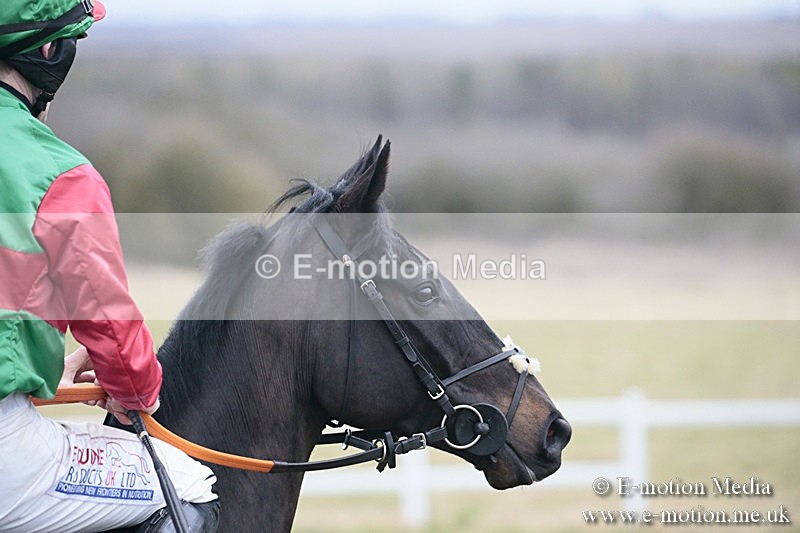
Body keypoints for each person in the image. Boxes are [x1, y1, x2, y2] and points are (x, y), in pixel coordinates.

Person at [0, 2, 219, 531]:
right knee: (189, 486)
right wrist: (135, 393)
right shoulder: (60, 174)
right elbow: (112, 330)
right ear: (49, 51)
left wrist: (45, 366)